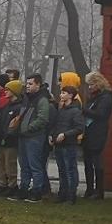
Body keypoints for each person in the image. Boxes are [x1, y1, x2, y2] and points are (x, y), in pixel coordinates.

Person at [16, 74, 52, 202]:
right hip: (23, 136)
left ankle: (37, 191)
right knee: (24, 165)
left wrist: (29, 127)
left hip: (34, 137)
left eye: (31, 84)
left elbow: (43, 118)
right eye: (27, 83)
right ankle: (24, 189)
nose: (28, 86)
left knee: (35, 165)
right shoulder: (26, 98)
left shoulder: (42, 100)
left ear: (38, 84)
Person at [47, 85, 85, 204]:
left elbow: (79, 128)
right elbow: (56, 124)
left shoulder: (76, 111)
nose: (61, 95)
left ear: (70, 95)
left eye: (64, 93)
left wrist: (65, 134)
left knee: (70, 170)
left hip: (69, 144)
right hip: (59, 144)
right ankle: (62, 194)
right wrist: (51, 135)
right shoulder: (61, 109)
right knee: (61, 170)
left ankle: (71, 195)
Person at [80, 72, 112, 199]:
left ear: (99, 83)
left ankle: (99, 190)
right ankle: (89, 189)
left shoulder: (106, 97)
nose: (89, 87)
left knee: (97, 161)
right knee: (87, 161)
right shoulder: (93, 97)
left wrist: (83, 110)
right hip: (88, 131)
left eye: (92, 84)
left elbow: (101, 114)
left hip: (98, 131)